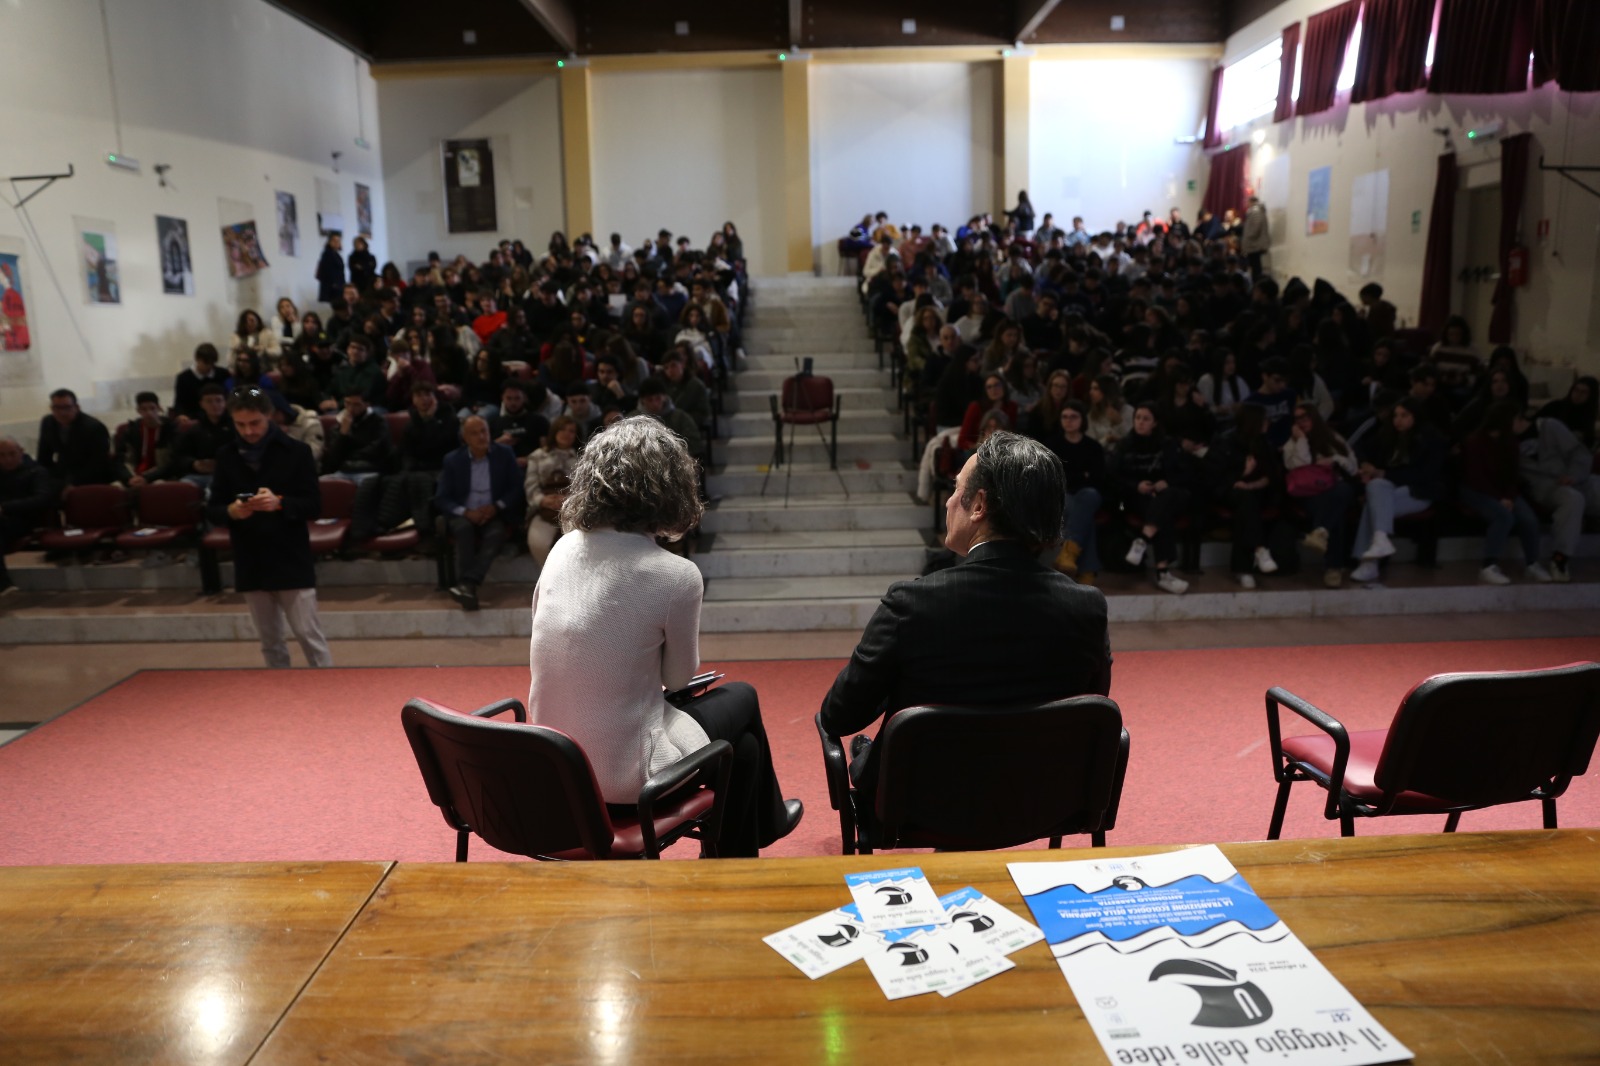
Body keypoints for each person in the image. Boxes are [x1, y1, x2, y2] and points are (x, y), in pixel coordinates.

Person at [527, 416, 802, 858]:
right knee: (743, 698)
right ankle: (762, 829)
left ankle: (755, 835)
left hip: (556, 765)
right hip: (626, 778)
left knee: (744, 749)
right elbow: (676, 680)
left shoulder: (563, 548)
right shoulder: (676, 575)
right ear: (670, 488)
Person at [819, 431, 1110, 800]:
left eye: (957, 489)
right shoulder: (1087, 607)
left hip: (921, 805)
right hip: (1041, 804)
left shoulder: (911, 604)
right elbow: (1090, 709)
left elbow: (838, 716)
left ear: (978, 505)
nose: (948, 501)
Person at [208, 386, 331, 668]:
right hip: (250, 555)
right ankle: (278, 693)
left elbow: (314, 505)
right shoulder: (226, 455)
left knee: (308, 635)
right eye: (240, 425)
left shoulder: (297, 452)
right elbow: (214, 509)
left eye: (255, 423)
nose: (248, 431)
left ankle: (329, 688)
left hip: (290, 554)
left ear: (269, 416)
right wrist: (231, 510)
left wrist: (280, 503)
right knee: (270, 641)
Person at [1349, 397, 1447, 584]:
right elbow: (1358, 446)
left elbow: (1425, 475)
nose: (1398, 420)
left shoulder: (1432, 439)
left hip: (1418, 491)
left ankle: (1368, 563)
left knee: (1373, 505)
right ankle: (1380, 539)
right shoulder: (1388, 435)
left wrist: (1384, 473)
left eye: (1404, 415)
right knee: (1376, 485)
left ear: (1415, 416)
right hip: (1388, 489)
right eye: (1395, 415)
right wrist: (1365, 463)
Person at [1459, 402, 1553, 585]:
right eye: (1517, 418)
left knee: (1528, 519)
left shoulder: (1510, 443)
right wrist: (1499, 498)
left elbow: (1512, 474)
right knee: (1503, 517)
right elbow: (1476, 477)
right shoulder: (1475, 441)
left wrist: (1509, 496)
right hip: (1476, 490)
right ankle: (1488, 566)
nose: (1521, 423)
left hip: (1503, 491)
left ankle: (1532, 563)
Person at [435, 415, 523, 611]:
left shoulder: (504, 453)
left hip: (493, 512)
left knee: (496, 533)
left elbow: (516, 488)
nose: (481, 436)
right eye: (474, 433)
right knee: (463, 530)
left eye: (484, 431)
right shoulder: (453, 460)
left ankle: (467, 584)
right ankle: (468, 586)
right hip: (463, 513)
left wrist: (496, 506)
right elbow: (442, 498)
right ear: (465, 438)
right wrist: (466, 512)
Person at [1283, 403, 1358, 588]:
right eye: (1297, 419)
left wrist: (1333, 459)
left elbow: (1352, 466)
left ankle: (1320, 533)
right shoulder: (1291, 443)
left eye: (1305, 417)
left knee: (1342, 491)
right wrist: (1301, 440)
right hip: (1308, 493)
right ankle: (1334, 567)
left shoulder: (1332, 437)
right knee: (1336, 511)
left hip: (1333, 489)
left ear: (1314, 417)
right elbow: (1298, 465)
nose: (1301, 422)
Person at [524, 415, 580, 570]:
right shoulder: (537, 456)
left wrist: (568, 500)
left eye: (571, 431)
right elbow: (530, 486)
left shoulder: (582, 457)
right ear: (554, 431)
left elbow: (585, 488)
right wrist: (544, 500)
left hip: (573, 509)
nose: (566, 434)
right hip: (544, 508)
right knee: (539, 543)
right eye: (562, 429)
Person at [0, 436, 55, 591]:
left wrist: (5, 507)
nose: (7, 459)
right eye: (2, 455)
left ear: (21, 452)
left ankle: (3, 583)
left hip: (26, 521)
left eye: (12, 454)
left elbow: (41, 499)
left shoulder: (36, 472)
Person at [37, 388, 116, 489]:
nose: (62, 413)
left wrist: (72, 485)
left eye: (67, 407)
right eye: (57, 408)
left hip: (93, 479)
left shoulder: (94, 427)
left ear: (77, 407)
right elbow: (43, 457)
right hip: (63, 475)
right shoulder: (48, 422)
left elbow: (98, 463)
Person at [316, 233, 346, 305]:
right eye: (334, 240)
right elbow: (327, 272)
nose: (336, 243)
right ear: (329, 242)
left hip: (338, 286)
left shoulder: (336, 255)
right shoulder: (327, 254)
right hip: (331, 287)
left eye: (338, 240)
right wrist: (334, 284)